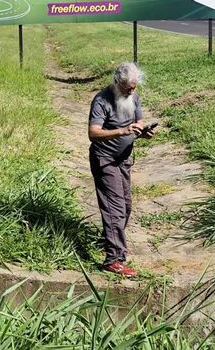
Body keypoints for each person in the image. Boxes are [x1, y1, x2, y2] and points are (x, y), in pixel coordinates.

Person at [88, 62, 155, 277]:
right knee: (114, 207)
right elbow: (93, 133)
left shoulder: (133, 97)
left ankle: (111, 240)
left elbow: (139, 119)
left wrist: (143, 131)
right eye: (127, 87)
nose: (131, 91)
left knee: (125, 207)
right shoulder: (102, 100)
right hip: (104, 158)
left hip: (124, 159)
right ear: (117, 83)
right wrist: (122, 131)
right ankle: (113, 259)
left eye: (134, 87)